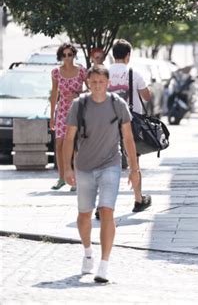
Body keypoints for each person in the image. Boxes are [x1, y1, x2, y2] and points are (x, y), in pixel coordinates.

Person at [63, 65, 140, 283]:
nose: (97, 86)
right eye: (93, 82)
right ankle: (88, 252)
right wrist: (67, 168)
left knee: (107, 211)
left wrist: (134, 169)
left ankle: (104, 265)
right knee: (84, 215)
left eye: (101, 82)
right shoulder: (79, 105)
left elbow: (128, 138)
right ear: (88, 83)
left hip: (110, 164)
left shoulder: (117, 104)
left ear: (108, 83)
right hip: (85, 166)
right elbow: (69, 139)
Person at [108, 39, 152, 213]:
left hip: (107, 121)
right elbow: (147, 97)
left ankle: (103, 204)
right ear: (128, 55)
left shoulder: (104, 73)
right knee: (135, 161)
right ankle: (138, 199)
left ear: (113, 54)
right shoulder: (134, 73)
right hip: (131, 122)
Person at [50, 43, 87, 191]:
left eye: (69, 55)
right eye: (64, 55)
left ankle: (75, 179)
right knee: (59, 143)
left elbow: (91, 88)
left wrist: (78, 94)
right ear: (60, 56)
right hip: (62, 110)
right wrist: (52, 115)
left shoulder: (81, 71)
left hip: (78, 110)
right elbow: (54, 94)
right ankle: (61, 177)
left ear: (74, 55)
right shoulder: (56, 72)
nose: (67, 58)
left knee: (75, 145)